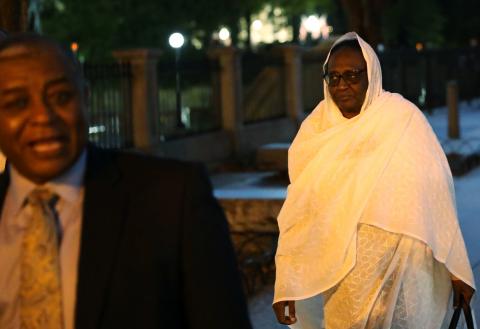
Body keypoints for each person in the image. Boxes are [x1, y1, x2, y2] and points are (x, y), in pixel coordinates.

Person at [0, 33, 252, 329]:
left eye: (61, 97)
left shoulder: (172, 199)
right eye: (17, 103)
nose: (43, 116)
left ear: (86, 98)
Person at [272, 32, 475, 328]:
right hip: (345, 282)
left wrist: (456, 269)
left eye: (353, 75)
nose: (342, 85)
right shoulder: (315, 133)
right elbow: (300, 211)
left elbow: (436, 194)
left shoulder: (402, 119)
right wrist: (287, 281)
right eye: (334, 76)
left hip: (406, 271)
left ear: (372, 74)